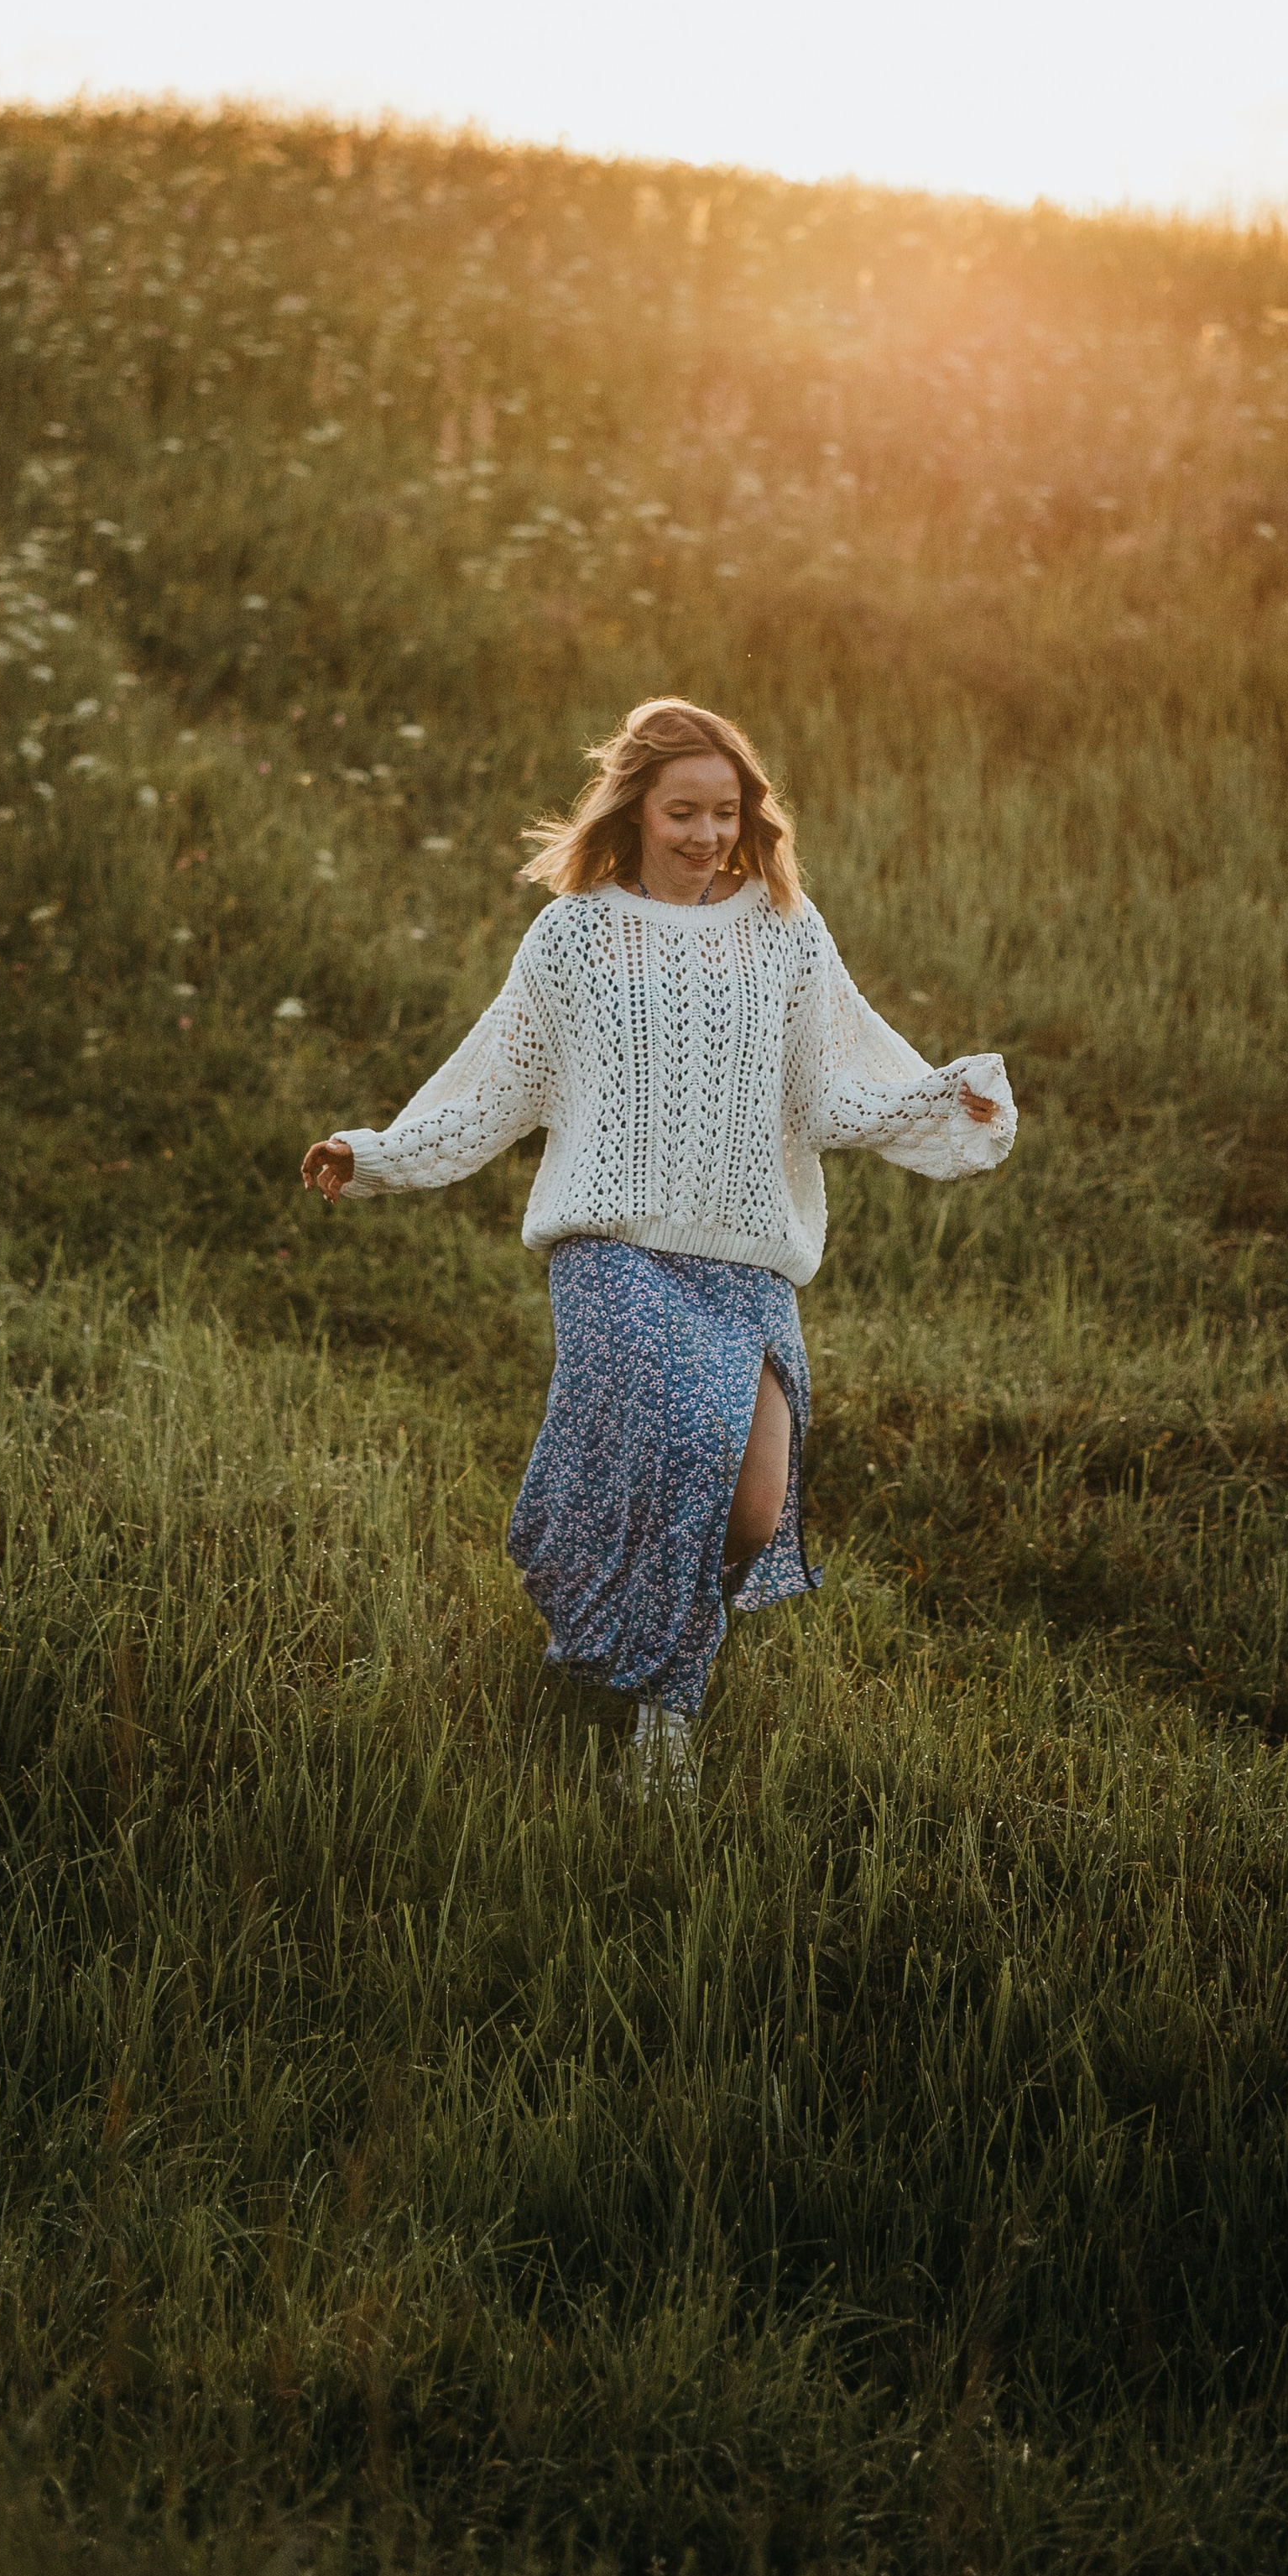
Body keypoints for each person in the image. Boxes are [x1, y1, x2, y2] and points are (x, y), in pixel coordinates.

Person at [300, 697, 1016, 1800]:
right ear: (635, 810)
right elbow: (497, 1088)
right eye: (683, 812)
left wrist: (939, 1099)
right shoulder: (576, 934)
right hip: (614, 1252)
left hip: (748, 1265)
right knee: (685, 1445)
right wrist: (375, 1152)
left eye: (725, 814)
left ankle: (640, 1616)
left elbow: (831, 1090)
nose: (706, 836)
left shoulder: (785, 926)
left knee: (755, 1510)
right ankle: (665, 1713)